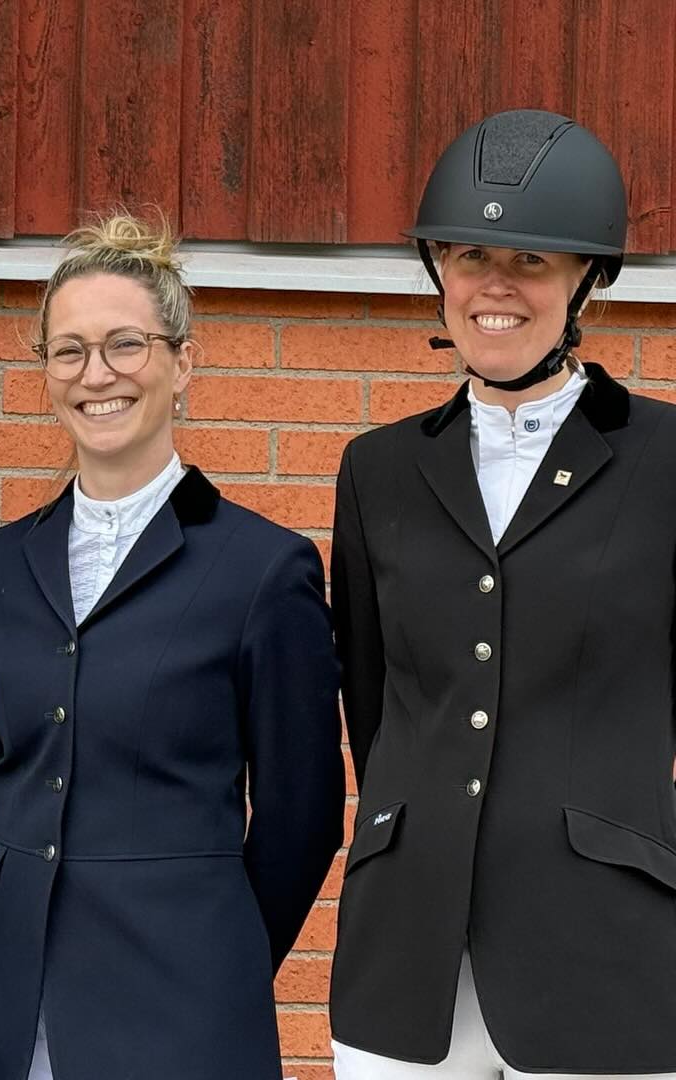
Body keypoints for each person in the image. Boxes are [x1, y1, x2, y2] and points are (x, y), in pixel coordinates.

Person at [0, 213, 345, 1079]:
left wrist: (220, 958)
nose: (95, 374)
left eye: (123, 345)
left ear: (182, 363)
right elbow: (8, 768)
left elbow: (302, 815)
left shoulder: (264, 569)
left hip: (181, 998)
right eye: (67, 351)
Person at [329, 109, 676, 1079]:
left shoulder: (666, 460)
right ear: (439, 269)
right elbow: (376, 708)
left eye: (531, 260)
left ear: (586, 281)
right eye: (473, 253)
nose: (495, 285)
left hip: (604, 953)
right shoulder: (378, 470)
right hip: (407, 960)